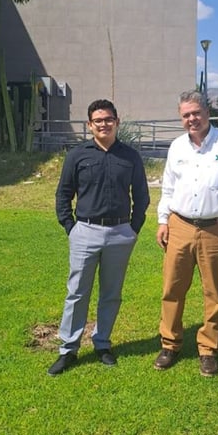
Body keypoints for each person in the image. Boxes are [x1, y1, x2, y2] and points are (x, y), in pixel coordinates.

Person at [154, 90, 218, 377]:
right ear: (181, 118)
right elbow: (168, 188)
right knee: (172, 288)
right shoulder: (176, 147)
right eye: (186, 115)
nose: (191, 119)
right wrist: (163, 221)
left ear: (207, 112)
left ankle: (208, 348)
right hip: (180, 226)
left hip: (216, 228)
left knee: (215, 292)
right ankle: (170, 343)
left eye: (196, 113)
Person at [48, 99, 150, 376]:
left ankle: (102, 343)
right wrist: (70, 227)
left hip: (120, 233)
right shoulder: (77, 155)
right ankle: (68, 350)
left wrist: (133, 228)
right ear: (90, 125)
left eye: (108, 119)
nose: (103, 124)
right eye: (97, 120)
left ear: (117, 121)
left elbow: (141, 196)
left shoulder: (130, 156)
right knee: (77, 292)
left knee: (111, 294)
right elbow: (63, 194)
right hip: (85, 231)